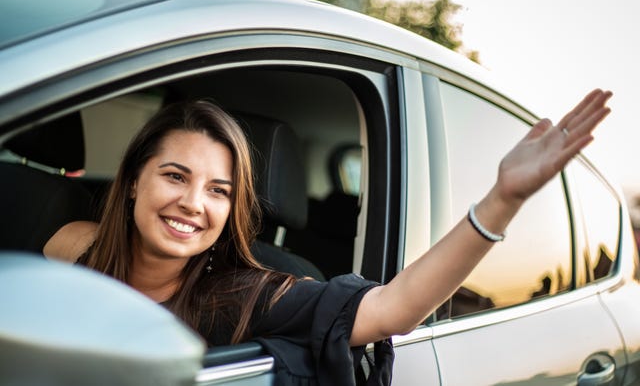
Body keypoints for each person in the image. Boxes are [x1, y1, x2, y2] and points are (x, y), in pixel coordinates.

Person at [44, 89, 612, 385]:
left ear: (231, 210)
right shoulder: (70, 245)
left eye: (219, 190)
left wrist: (502, 200)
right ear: (132, 181)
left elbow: (393, 309)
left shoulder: (247, 295)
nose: (193, 203)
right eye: (175, 176)